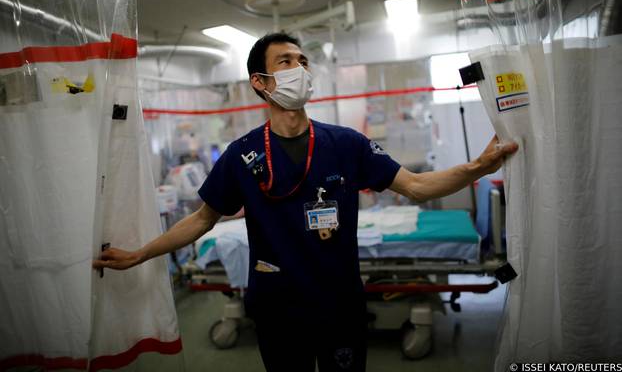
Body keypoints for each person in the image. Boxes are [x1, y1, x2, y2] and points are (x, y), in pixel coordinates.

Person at [93, 33, 518, 372]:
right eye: (286, 62)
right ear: (260, 82)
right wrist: (142, 254)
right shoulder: (241, 155)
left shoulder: (345, 145)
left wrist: (478, 168)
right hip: (278, 309)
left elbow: (417, 186)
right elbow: (203, 219)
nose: (300, 68)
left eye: (303, 61)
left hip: (340, 304)